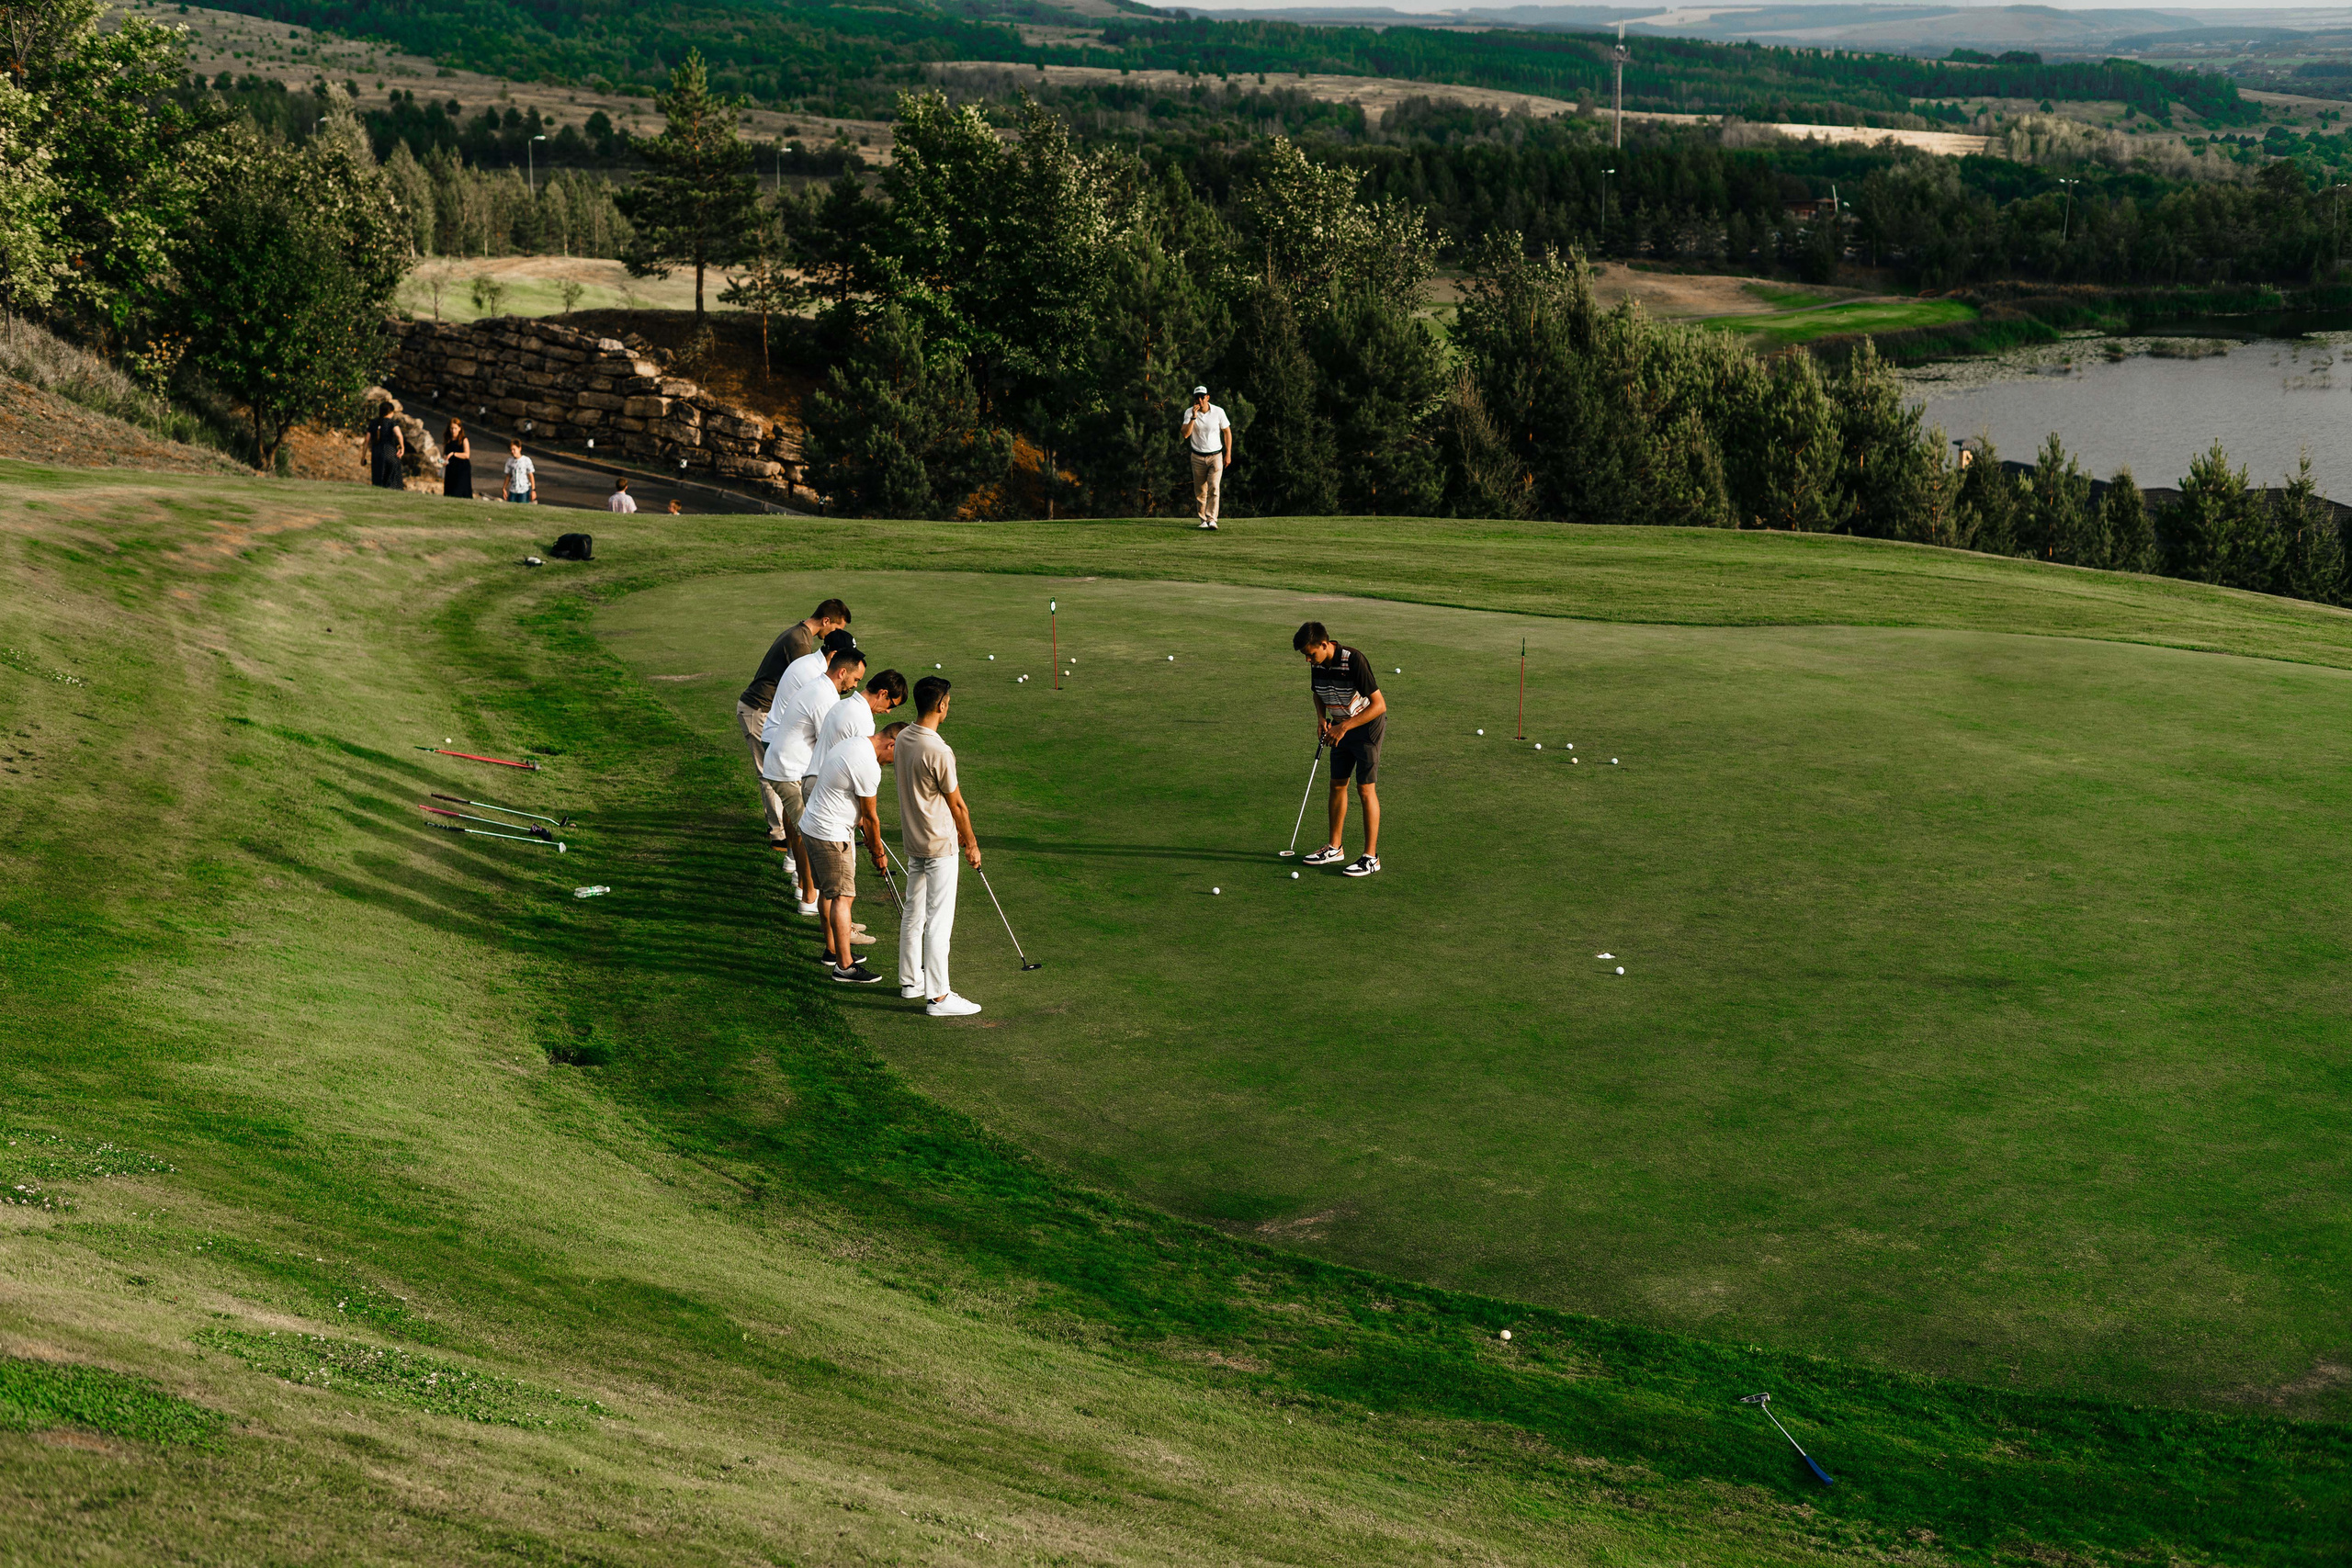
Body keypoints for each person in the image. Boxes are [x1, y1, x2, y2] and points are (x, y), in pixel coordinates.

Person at [896, 676, 983, 1018]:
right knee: (938, 922)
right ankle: (939, 997)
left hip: (914, 841)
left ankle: (910, 981)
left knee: (913, 913)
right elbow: (957, 804)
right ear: (941, 705)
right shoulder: (939, 750)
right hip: (939, 846)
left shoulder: (903, 737)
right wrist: (971, 843)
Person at [798, 723, 908, 986]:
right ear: (891, 744)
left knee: (829, 893)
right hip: (830, 835)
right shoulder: (868, 764)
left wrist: (862, 824)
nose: (894, 764)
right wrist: (878, 853)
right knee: (843, 897)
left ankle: (833, 951)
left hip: (813, 827)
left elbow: (851, 800)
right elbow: (870, 817)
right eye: (897, 757)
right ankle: (844, 967)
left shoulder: (855, 743)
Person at [738, 600, 852, 852]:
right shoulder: (801, 644)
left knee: (778, 777)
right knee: (769, 775)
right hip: (759, 709)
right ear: (826, 621)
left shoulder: (799, 635)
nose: (834, 634)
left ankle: (785, 835)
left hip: (765, 710)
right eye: (836, 628)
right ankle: (778, 834)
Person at [762, 642, 866, 917]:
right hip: (787, 769)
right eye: (855, 679)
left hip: (785, 766)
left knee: (799, 825)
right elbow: (829, 743)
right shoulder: (824, 696)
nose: (855, 686)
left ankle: (799, 878)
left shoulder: (821, 687)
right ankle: (808, 896)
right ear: (842, 672)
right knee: (809, 832)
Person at [1293, 621, 1385, 876]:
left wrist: (1343, 727)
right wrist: (1321, 719)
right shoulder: (1318, 664)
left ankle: (1371, 858)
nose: (1308, 660)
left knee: (1365, 789)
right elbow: (1318, 693)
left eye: (1311, 654)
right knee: (1337, 784)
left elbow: (1379, 705)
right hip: (1339, 727)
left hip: (1366, 728)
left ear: (1324, 644)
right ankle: (1335, 848)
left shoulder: (1353, 660)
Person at [811, 668, 908, 796]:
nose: (888, 711)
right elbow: (862, 766)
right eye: (892, 705)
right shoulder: (863, 718)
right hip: (826, 787)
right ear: (883, 694)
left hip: (815, 779)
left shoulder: (842, 704)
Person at [1179, 384, 1233, 531]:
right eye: (1197, 398)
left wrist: (1228, 453)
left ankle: (1212, 519)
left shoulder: (1218, 412)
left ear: (1207, 397)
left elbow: (1227, 432)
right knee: (1200, 491)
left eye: (1202, 397)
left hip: (1216, 456)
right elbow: (1185, 434)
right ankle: (1203, 520)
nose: (1200, 400)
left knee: (1214, 487)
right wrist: (1193, 417)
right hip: (1197, 457)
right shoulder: (1189, 412)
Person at [364, 401, 405, 490]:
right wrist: (402, 447)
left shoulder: (373, 422)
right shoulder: (391, 423)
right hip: (390, 453)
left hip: (376, 454)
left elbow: (367, 440)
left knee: (378, 482)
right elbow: (399, 435)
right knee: (393, 483)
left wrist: (363, 457)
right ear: (391, 412)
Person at [441, 418, 472, 499]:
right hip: (450, 468)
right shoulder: (448, 440)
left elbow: (467, 455)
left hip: (462, 469)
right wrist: (443, 460)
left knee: (459, 491)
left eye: (455, 428)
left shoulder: (464, 440)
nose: (453, 431)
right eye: (451, 428)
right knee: (449, 492)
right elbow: (444, 454)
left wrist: (454, 454)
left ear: (459, 428)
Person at [502, 440, 537, 504]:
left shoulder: (526, 460)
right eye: (511, 450)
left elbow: (531, 475)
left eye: (514, 449)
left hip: (524, 490)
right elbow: (508, 476)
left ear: (519, 448)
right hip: (513, 489)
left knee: (522, 507)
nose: (512, 452)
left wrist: (533, 490)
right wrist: (504, 488)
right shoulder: (509, 461)